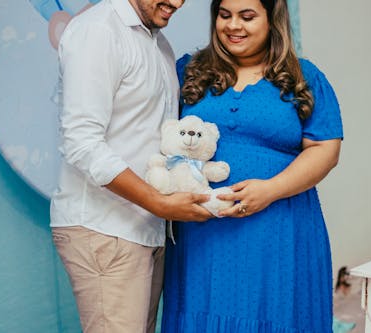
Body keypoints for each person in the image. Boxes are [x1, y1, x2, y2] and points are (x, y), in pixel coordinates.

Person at [162, 0, 343, 332]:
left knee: (276, 314)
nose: (234, 26)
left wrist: (271, 190)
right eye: (225, 15)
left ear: (272, 21)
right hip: (204, 233)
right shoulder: (187, 71)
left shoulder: (304, 77)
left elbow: (325, 150)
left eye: (247, 17)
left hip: (278, 229)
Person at [49, 1, 213, 332]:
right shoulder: (98, 31)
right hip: (105, 227)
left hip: (145, 229)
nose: (177, 3)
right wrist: (159, 202)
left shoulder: (159, 44)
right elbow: (82, 142)